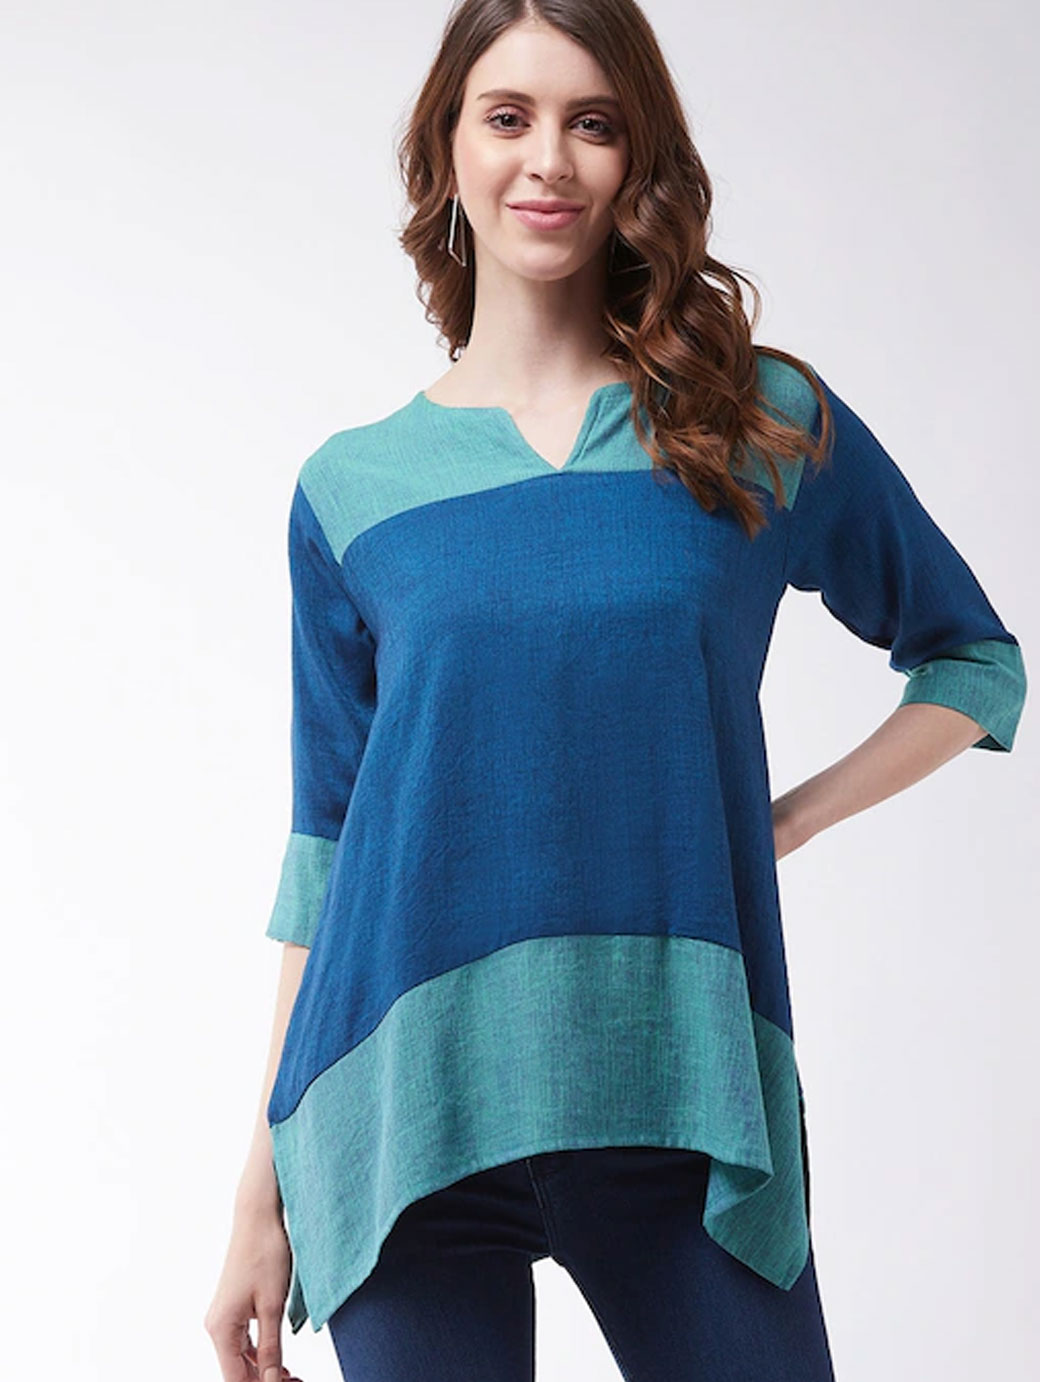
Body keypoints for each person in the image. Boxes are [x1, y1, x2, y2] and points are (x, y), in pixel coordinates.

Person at [203, 3, 1028, 1380]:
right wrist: (258, 1193)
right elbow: (327, 849)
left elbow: (976, 661)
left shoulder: (753, 421)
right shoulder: (351, 490)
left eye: (592, 122)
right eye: (508, 117)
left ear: (638, 157)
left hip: (680, 1092)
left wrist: (784, 819)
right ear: (447, 151)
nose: (549, 159)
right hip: (403, 1113)